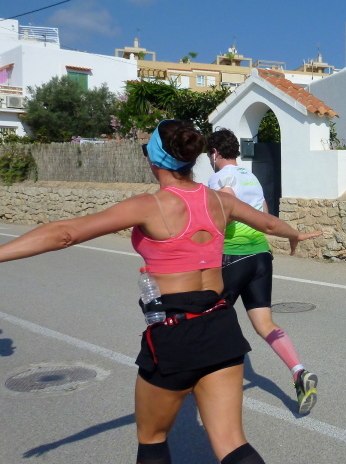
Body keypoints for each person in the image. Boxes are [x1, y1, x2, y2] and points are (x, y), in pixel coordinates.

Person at [0, 119, 322, 464]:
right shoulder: (219, 201)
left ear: (154, 160)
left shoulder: (148, 205)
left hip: (175, 331)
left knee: (152, 439)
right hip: (220, 325)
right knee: (232, 443)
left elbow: (65, 233)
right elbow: (269, 223)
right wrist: (294, 234)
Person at [206, 129, 318, 415]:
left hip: (233, 256)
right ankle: (298, 371)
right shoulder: (251, 177)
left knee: (210, 320)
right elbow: (266, 215)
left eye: (209, 154)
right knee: (264, 323)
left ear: (215, 153)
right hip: (260, 256)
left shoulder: (220, 178)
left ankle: (212, 385)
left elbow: (224, 205)